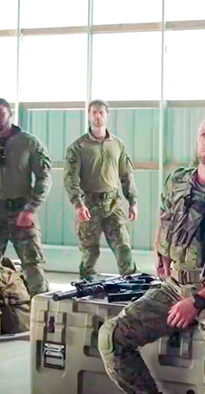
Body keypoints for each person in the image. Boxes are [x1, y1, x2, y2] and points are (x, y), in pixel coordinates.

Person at [98, 108, 205, 394]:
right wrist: (160, 252)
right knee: (112, 336)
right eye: (203, 134)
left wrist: (197, 302)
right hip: (176, 287)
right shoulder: (177, 182)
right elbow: (164, 216)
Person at [0, 97, 52, 343]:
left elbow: (44, 178)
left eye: (0, 112)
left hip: (21, 211)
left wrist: (31, 208)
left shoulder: (29, 143)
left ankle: (44, 324)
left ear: (10, 114)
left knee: (33, 267)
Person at [63, 99, 138, 278]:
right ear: (89, 115)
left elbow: (126, 174)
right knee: (90, 252)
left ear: (107, 115)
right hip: (89, 205)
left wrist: (132, 201)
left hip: (113, 204)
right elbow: (71, 178)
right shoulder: (78, 147)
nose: (98, 116)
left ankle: (131, 286)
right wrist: (78, 204)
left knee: (124, 248)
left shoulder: (117, 145)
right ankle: (87, 287)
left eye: (101, 112)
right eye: (94, 112)